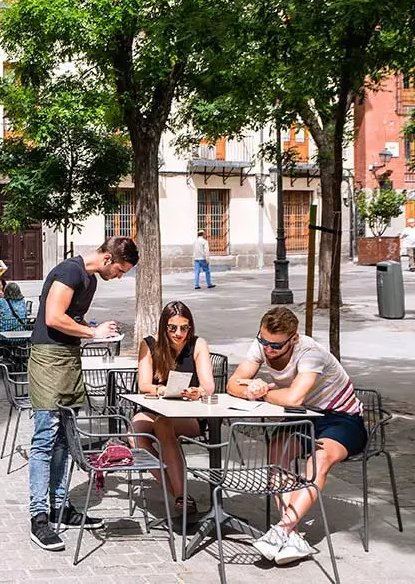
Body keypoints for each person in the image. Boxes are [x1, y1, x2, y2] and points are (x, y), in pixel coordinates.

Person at [228, 307, 367, 566]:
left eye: (275, 345)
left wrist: (261, 390)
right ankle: (290, 534)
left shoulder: (309, 353)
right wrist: (252, 387)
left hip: (341, 417)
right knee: (276, 453)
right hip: (302, 418)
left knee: (320, 459)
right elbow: (233, 383)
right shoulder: (263, 343)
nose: (268, 349)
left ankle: (281, 530)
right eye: (263, 341)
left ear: (293, 339)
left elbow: (294, 398)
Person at [26, 236, 136, 552]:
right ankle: (39, 518)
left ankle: (61, 507)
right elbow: (52, 318)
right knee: (45, 438)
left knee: (65, 437)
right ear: (106, 259)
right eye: (119, 270)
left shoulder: (89, 280)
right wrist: (92, 333)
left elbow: (70, 320)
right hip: (48, 359)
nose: (119, 276)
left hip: (68, 359)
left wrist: (96, 327)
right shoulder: (69, 272)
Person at [131, 301, 214, 516]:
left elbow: (209, 386)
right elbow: (144, 385)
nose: (179, 334)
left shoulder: (198, 345)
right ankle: (179, 493)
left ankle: (181, 497)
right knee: (135, 432)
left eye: (184, 328)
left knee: (164, 424)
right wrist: (161, 389)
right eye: (172, 328)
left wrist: (198, 391)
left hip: (188, 412)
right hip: (158, 407)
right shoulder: (150, 345)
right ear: (163, 327)